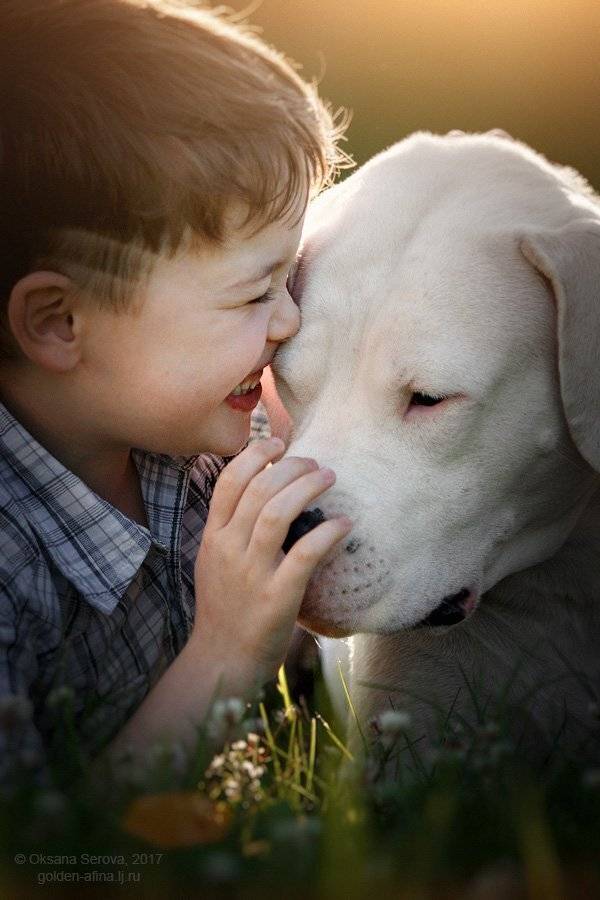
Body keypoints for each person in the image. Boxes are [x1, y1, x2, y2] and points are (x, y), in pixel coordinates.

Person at [0, 0, 353, 786]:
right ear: (61, 322)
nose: (289, 320)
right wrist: (227, 652)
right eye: (253, 292)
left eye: (288, 278)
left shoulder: (214, 439)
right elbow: (47, 852)